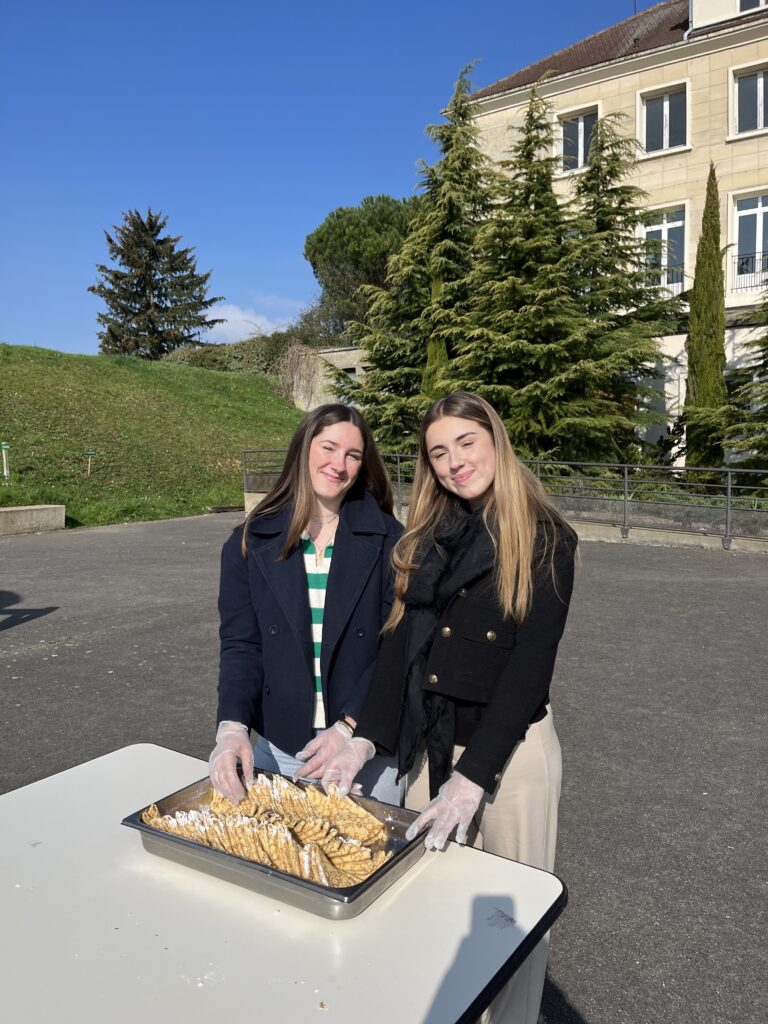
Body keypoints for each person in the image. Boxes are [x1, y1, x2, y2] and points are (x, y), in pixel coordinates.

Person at [318, 391, 577, 1024]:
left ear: (495, 441)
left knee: (511, 924)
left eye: (466, 442)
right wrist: (363, 738)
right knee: (430, 914)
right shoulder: (428, 537)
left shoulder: (545, 537)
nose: (455, 462)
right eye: (439, 453)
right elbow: (400, 646)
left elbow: (529, 670)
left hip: (507, 757)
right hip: (431, 747)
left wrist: (471, 779)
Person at [209, 403, 403, 808]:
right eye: (328, 448)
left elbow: (396, 647)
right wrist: (232, 727)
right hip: (282, 747)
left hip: (364, 747)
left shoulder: (391, 540)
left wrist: (350, 728)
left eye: (353, 455)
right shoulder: (249, 541)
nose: (339, 465)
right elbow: (242, 645)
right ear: (303, 449)